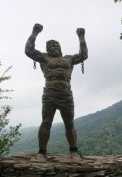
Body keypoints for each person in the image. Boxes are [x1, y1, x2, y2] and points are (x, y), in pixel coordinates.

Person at [25, 23, 88, 161]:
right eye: (49, 47)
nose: (52, 48)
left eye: (55, 46)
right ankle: (41, 153)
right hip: (50, 94)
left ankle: (74, 151)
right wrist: (35, 32)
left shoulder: (69, 59)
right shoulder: (44, 58)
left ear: (60, 48)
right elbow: (28, 51)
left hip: (66, 95)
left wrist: (81, 37)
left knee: (69, 123)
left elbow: (84, 55)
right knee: (46, 122)